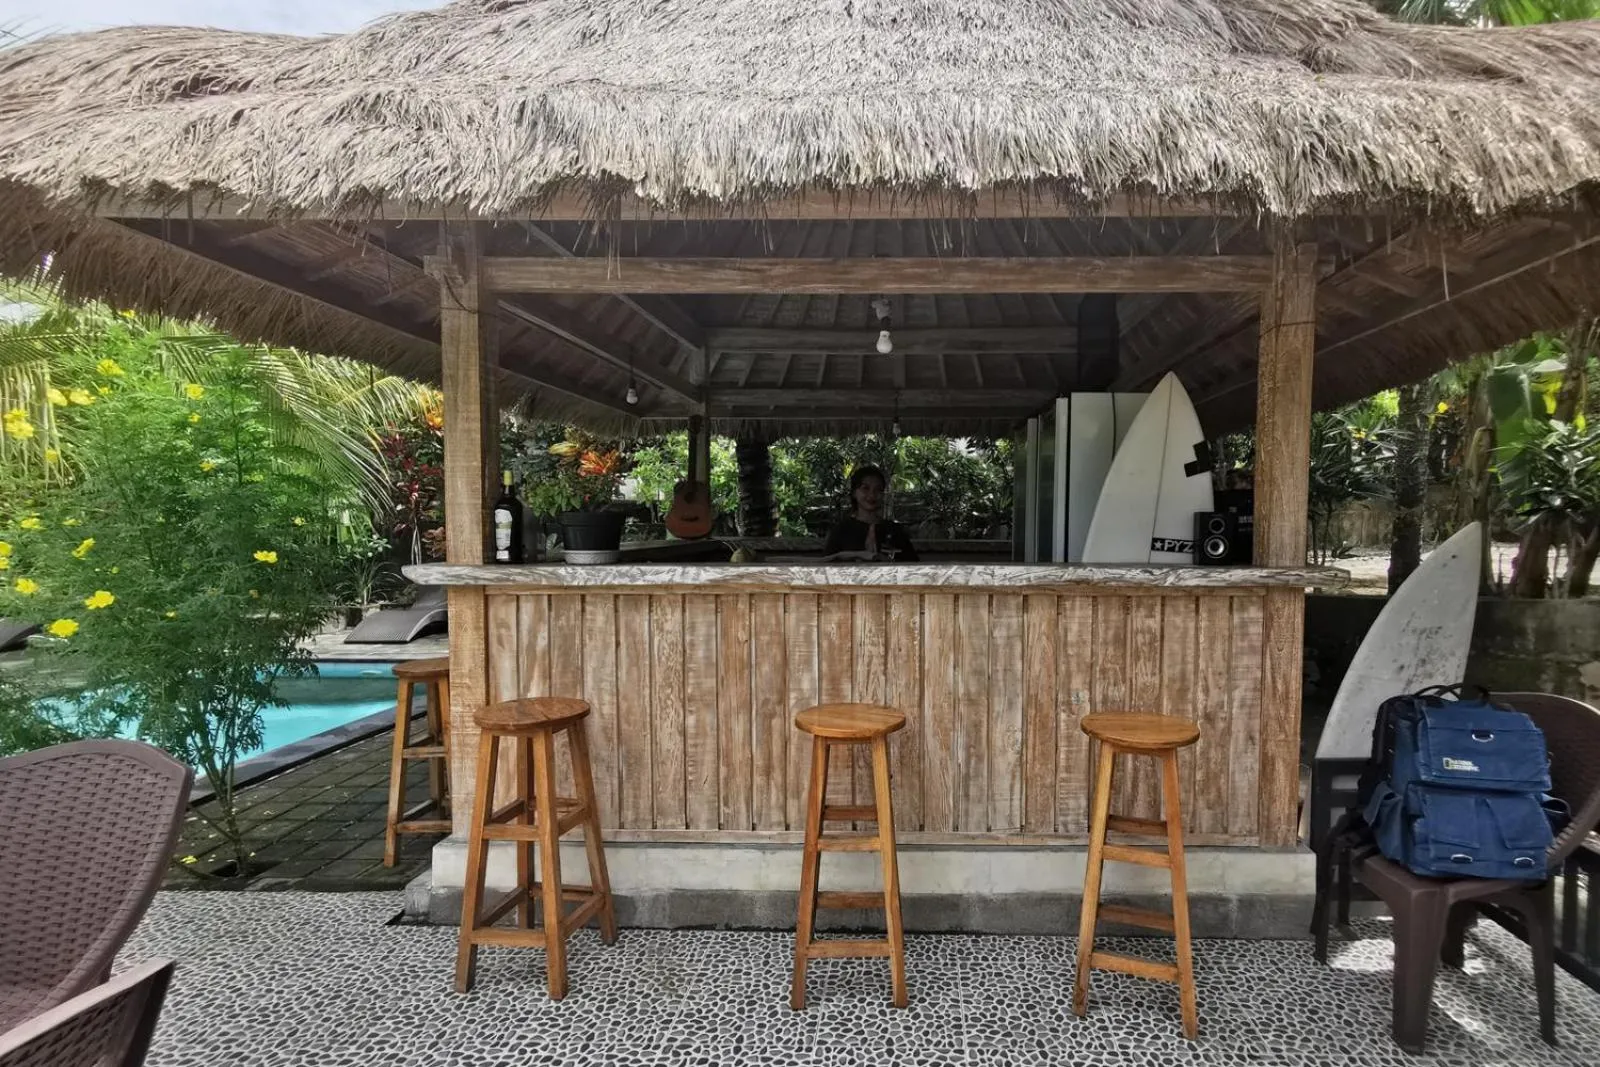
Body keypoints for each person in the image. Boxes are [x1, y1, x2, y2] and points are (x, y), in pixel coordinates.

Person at [822, 465, 919, 562]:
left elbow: (913, 565)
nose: (872, 495)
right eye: (865, 488)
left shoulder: (895, 530)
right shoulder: (841, 530)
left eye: (878, 489)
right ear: (854, 493)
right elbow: (825, 565)